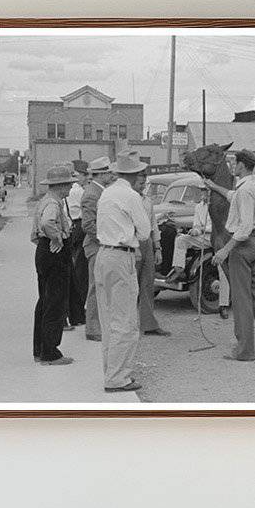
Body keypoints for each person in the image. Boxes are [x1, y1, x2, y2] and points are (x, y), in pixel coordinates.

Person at [208, 149, 255, 361]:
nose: (232, 166)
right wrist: (214, 187)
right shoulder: (252, 186)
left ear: (241, 165)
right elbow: (233, 196)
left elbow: (245, 227)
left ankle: (244, 351)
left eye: (234, 163)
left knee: (241, 300)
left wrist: (224, 250)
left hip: (242, 246)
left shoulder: (244, 190)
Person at [94, 151, 150, 392]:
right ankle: (117, 378)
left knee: (109, 320)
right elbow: (145, 232)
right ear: (136, 174)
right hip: (121, 256)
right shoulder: (131, 196)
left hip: (103, 255)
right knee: (125, 321)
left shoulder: (106, 193)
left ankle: (112, 371)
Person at [31, 163, 75, 365]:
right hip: (54, 253)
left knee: (45, 300)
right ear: (61, 185)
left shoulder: (45, 200)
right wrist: (57, 238)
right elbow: (48, 222)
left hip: (43, 251)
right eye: (69, 184)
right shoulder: (53, 204)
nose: (71, 188)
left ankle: (40, 349)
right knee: (55, 303)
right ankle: (50, 352)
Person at [163, 184, 230, 317]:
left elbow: (219, 226)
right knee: (181, 239)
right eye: (202, 192)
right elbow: (197, 224)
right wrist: (194, 230)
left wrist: (200, 230)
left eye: (205, 192)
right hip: (203, 237)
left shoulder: (218, 207)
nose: (203, 195)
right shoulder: (199, 207)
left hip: (217, 238)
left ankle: (223, 304)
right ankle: (178, 268)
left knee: (223, 270)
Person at [80, 156, 113, 341]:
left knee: (101, 285)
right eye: (108, 172)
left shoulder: (100, 191)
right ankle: (92, 328)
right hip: (96, 246)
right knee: (96, 286)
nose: (111, 175)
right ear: (101, 174)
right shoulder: (93, 194)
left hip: (100, 245)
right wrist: (106, 239)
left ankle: (98, 324)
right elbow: (88, 225)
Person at [138, 184, 170, 336]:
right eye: (139, 176)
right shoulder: (128, 198)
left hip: (147, 242)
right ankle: (129, 326)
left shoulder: (147, 201)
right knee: (130, 285)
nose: (142, 180)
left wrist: (158, 248)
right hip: (132, 242)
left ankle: (148, 324)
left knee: (148, 284)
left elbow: (153, 225)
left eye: (144, 176)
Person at [63, 163, 88, 328]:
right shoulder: (79, 191)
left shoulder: (68, 192)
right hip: (78, 227)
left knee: (73, 273)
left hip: (70, 228)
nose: (87, 178)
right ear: (77, 175)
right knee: (80, 274)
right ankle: (76, 312)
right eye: (84, 175)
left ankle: (73, 312)